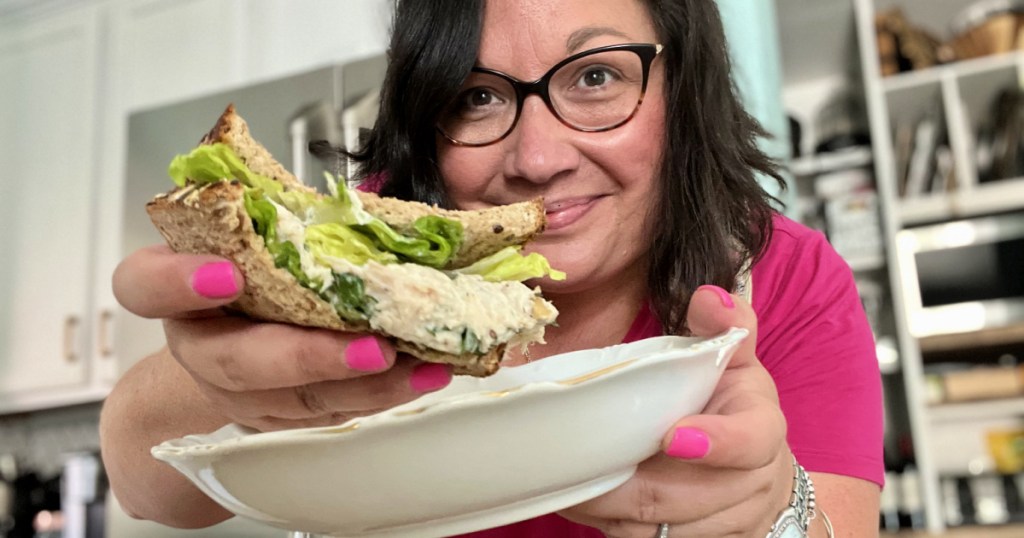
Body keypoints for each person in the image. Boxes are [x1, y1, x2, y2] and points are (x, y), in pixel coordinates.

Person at [100, 0, 884, 536]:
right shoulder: (368, 240)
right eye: (476, 96)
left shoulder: (785, 277)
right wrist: (222, 377)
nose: (537, 160)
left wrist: (773, 506)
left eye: (596, 76)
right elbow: (138, 479)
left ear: (683, 85)